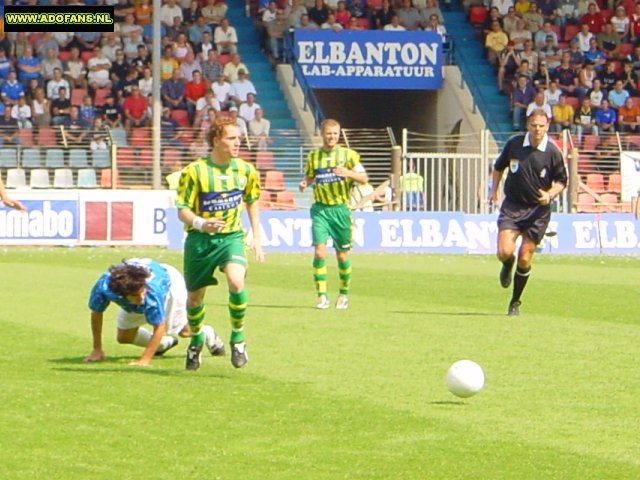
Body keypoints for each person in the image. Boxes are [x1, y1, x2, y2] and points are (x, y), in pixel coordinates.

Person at [175, 116, 264, 370]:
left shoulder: (246, 169)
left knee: (236, 281)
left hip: (231, 237)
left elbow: (252, 199)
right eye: (232, 138)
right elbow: (182, 210)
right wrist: (202, 223)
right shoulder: (195, 171)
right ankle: (196, 342)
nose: (238, 143)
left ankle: (238, 338)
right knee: (194, 299)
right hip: (200, 241)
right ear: (216, 140)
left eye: (239, 138)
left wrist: (256, 235)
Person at [489, 109, 567, 316]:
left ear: (547, 126)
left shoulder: (552, 152)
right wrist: (493, 189)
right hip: (513, 206)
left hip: (537, 212)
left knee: (525, 257)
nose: (537, 129)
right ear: (527, 125)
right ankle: (507, 264)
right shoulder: (514, 144)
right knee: (504, 251)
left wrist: (549, 195)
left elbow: (562, 181)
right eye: (534, 125)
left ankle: (515, 302)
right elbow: (498, 167)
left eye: (541, 126)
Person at [83, 259, 226, 367]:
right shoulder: (103, 287)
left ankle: (207, 332)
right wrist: (97, 349)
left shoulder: (151, 291)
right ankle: (163, 345)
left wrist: (144, 360)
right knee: (124, 337)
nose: (141, 299)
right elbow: (96, 313)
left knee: (184, 332)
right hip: (134, 289)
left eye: (141, 293)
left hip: (170, 285)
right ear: (121, 294)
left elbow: (159, 326)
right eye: (135, 296)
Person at [298, 118, 369, 310]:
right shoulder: (314, 156)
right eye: (329, 133)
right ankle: (321, 296)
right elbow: (311, 176)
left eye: (335, 134)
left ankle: (343, 294)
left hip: (340, 210)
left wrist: (348, 173)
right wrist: (305, 182)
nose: (332, 137)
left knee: (342, 256)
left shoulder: (348, 155)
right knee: (320, 251)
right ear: (322, 134)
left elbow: (364, 178)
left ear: (339, 134)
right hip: (320, 209)